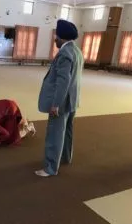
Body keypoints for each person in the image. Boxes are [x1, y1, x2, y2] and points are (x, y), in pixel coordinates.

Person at [35, 20, 84, 177]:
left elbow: (63, 81)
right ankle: (65, 157)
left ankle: (50, 168)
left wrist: (56, 104)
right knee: (67, 130)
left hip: (61, 102)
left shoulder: (64, 53)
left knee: (55, 134)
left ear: (62, 38)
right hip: (72, 101)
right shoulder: (77, 51)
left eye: (56, 37)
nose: (55, 39)